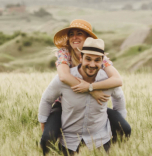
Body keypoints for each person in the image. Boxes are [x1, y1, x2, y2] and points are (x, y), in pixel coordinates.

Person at [44, 19, 132, 147]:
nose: (74, 37)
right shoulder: (64, 53)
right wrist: (92, 91)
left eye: (79, 33)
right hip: (65, 105)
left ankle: (110, 150)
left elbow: (117, 80)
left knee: (125, 128)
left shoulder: (100, 57)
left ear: (88, 38)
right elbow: (63, 76)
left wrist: (91, 87)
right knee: (47, 138)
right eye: (71, 34)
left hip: (94, 105)